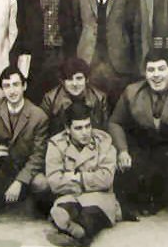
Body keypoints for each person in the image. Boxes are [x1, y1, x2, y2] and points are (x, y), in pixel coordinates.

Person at [108, 50, 168, 220]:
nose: (156, 75)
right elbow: (115, 122)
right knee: (130, 169)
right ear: (145, 73)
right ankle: (147, 200)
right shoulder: (131, 92)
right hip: (147, 150)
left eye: (161, 69)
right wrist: (122, 150)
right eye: (151, 70)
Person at [0, 66, 50, 229]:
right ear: (2, 89)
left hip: (24, 167)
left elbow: (38, 156)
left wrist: (20, 181)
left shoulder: (38, 116)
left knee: (41, 183)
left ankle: (31, 205)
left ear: (24, 86)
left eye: (15, 85)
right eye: (7, 86)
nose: (12, 91)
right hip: (1, 167)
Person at [73, 0, 139, 107]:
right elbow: (76, 26)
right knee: (92, 107)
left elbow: (133, 28)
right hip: (90, 61)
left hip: (118, 62)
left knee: (119, 107)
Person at [46, 102, 120, 247]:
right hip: (70, 196)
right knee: (66, 208)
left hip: (99, 197)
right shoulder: (56, 144)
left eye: (88, 126)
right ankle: (73, 231)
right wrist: (90, 180)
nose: (85, 132)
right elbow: (54, 181)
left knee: (90, 213)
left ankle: (75, 234)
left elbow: (106, 179)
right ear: (68, 129)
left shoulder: (104, 143)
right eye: (78, 128)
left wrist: (76, 177)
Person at [13, 0, 77, 104]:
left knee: (62, 100)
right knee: (36, 98)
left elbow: (75, 25)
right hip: (37, 58)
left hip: (61, 55)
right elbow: (21, 29)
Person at [41, 57, 109, 137]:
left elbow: (104, 131)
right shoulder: (50, 99)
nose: (75, 84)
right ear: (62, 81)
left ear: (86, 79)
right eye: (69, 79)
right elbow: (43, 132)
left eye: (79, 78)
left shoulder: (99, 98)